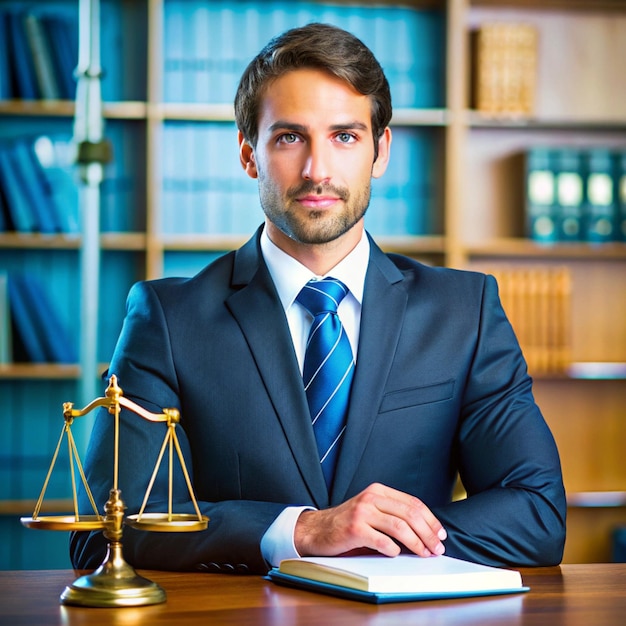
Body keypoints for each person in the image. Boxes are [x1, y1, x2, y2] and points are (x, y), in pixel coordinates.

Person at [70, 23, 566, 574]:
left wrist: (375, 539)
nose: (317, 171)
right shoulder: (167, 319)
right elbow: (99, 537)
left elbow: (537, 515)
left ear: (380, 150)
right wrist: (302, 531)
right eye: (289, 137)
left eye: (345, 137)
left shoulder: (464, 312)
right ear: (248, 154)